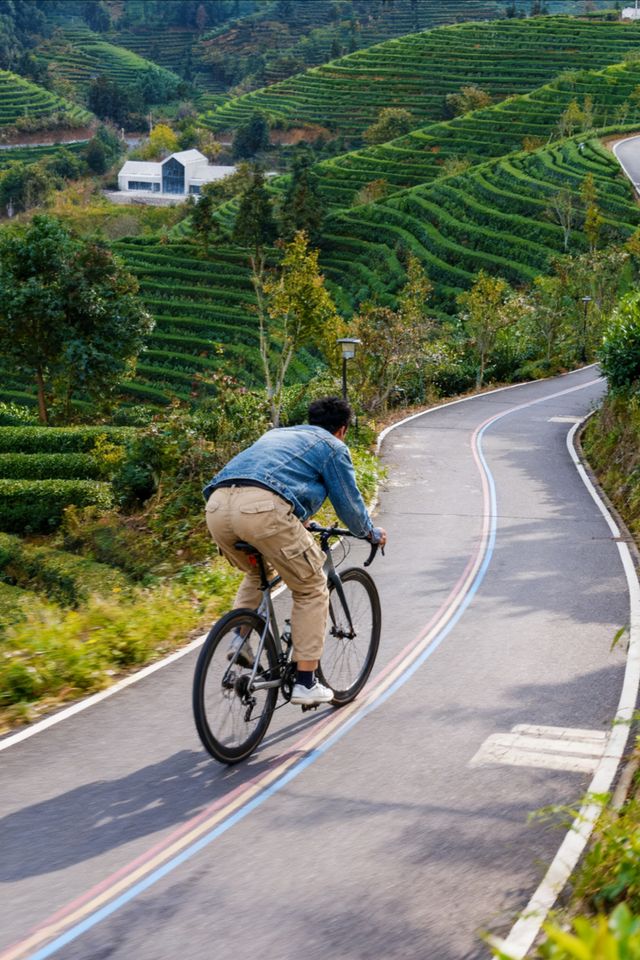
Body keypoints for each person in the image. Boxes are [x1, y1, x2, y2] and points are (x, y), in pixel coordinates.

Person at [203, 396, 387, 706]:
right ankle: (306, 681)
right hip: (263, 513)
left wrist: (298, 518)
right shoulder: (333, 446)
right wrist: (370, 533)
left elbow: (270, 479)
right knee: (313, 587)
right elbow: (349, 505)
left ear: (310, 419)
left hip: (217, 507)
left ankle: (240, 639)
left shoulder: (277, 434)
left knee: (256, 570)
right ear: (342, 429)